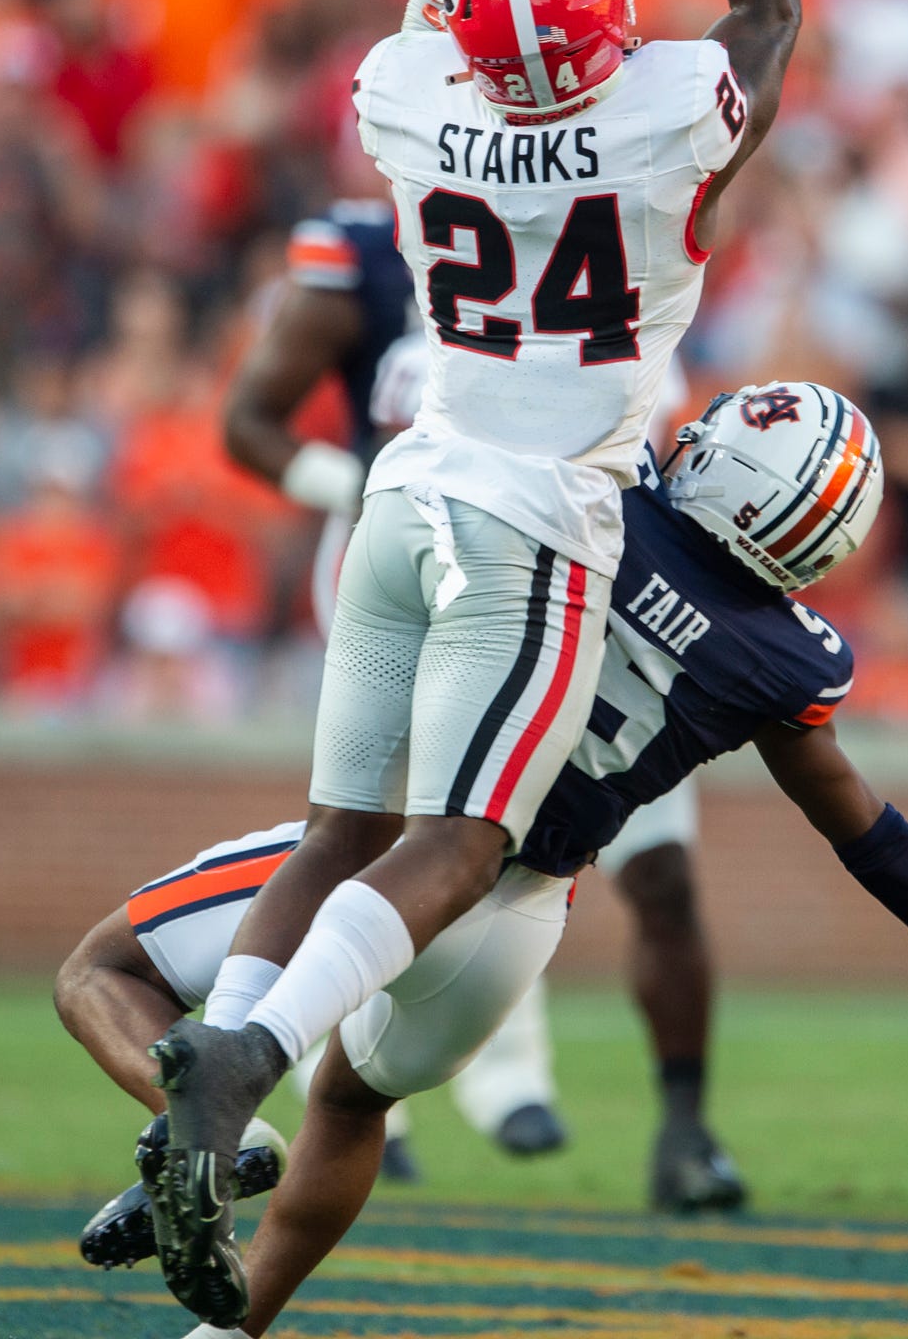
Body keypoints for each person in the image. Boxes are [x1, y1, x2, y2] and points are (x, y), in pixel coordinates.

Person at [146, 0, 801, 1327]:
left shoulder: (410, 93)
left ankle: (209, 1068)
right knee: (469, 842)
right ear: (597, 19)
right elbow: (767, 15)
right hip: (536, 521)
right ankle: (250, 1049)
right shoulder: (660, 114)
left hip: (400, 499)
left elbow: (451, 2)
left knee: (335, 830)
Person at [51, 384, 908, 1315]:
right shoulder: (788, 661)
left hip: (408, 862)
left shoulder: (595, 506)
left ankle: (221, 1130)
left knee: (104, 967)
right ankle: (231, 1329)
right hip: (520, 925)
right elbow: (870, 835)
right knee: (356, 1100)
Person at [222, 206, 746, 1205]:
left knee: (641, 867)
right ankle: (335, 1072)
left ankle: (664, 1124)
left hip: (600, 593)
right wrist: (358, 484)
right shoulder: (369, 250)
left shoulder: (618, 228)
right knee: (410, 839)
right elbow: (247, 419)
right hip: (433, 575)